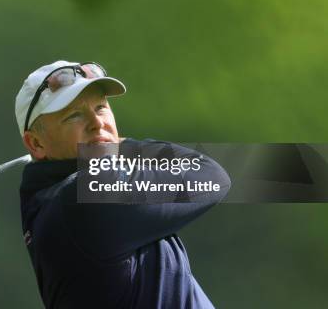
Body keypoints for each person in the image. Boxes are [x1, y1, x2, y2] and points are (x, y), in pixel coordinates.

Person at [15, 60, 231, 309]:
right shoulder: (86, 198)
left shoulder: (48, 203)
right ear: (36, 144)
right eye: (73, 115)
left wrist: (107, 145)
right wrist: (121, 144)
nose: (97, 123)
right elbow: (212, 176)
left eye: (100, 108)